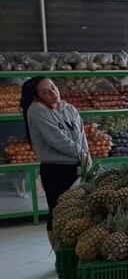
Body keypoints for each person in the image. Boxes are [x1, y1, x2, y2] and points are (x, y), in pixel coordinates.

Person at [21, 77, 90, 242]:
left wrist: (87, 158)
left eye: (53, 87)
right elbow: (57, 140)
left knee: (79, 212)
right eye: (46, 92)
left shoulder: (70, 109)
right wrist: (82, 154)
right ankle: (60, 253)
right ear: (37, 97)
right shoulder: (37, 111)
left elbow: (82, 136)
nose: (52, 93)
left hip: (77, 166)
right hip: (56, 171)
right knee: (59, 213)